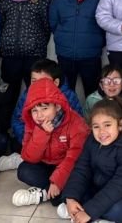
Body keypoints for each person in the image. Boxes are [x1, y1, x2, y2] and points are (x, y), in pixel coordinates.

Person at [61, 98, 122, 223]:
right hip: (101, 188)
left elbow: (119, 185)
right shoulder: (91, 141)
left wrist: (89, 211)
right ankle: (83, 211)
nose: (102, 132)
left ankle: (91, 214)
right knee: (73, 195)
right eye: (96, 127)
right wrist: (71, 198)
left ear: (120, 125)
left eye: (107, 125)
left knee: (116, 210)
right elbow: (81, 169)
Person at [11, 78, 89, 209]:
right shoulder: (33, 123)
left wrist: (57, 180)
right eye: (34, 110)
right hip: (47, 165)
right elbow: (29, 156)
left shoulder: (76, 123)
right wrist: (42, 133)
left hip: (69, 167)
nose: (39, 115)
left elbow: (74, 157)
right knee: (24, 170)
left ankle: (47, 194)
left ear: (57, 106)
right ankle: (51, 193)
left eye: (45, 108)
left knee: (78, 178)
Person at [0, 0, 52, 138]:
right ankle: (6, 133)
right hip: (10, 56)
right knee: (8, 97)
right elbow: (0, 24)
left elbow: (46, 26)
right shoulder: (5, 0)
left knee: (34, 97)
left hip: (34, 57)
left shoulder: (43, 0)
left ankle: (34, 133)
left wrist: (37, 44)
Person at [5, 58, 84, 166]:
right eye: (34, 81)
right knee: (21, 156)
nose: (37, 85)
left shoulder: (69, 96)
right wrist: (30, 139)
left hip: (62, 148)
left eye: (42, 81)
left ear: (56, 82)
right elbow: (17, 119)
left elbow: (77, 123)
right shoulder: (27, 95)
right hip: (38, 146)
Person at [49, 0, 105, 99]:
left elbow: (105, 25)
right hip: (65, 57)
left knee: (93, 96)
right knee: (65, 95)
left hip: (91, 56)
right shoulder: (59, 1)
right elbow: (54, 24)